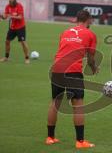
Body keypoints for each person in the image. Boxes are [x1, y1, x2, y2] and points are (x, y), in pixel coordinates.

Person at [46, 10, 98, 149]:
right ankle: (80, 141)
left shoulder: (65, 32)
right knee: (78, 104)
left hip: (56, 69)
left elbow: (62, 50)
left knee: (55, 102)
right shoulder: (90, 34)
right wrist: (93, 68)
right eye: (91, 20)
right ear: (88, 19)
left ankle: (50, 137)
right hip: (73, 71)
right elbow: (91, 58)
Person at [0, 0, 30, 64]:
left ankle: (27, 58)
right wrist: (2, 16)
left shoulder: (19, 6)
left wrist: (11, 16)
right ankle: (6, 57)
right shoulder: (8, 6)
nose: (9, 0)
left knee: (23, 42)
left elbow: (20, 17)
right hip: (12, 28)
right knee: (7, 41)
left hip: (20, 27)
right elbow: (5, 16)